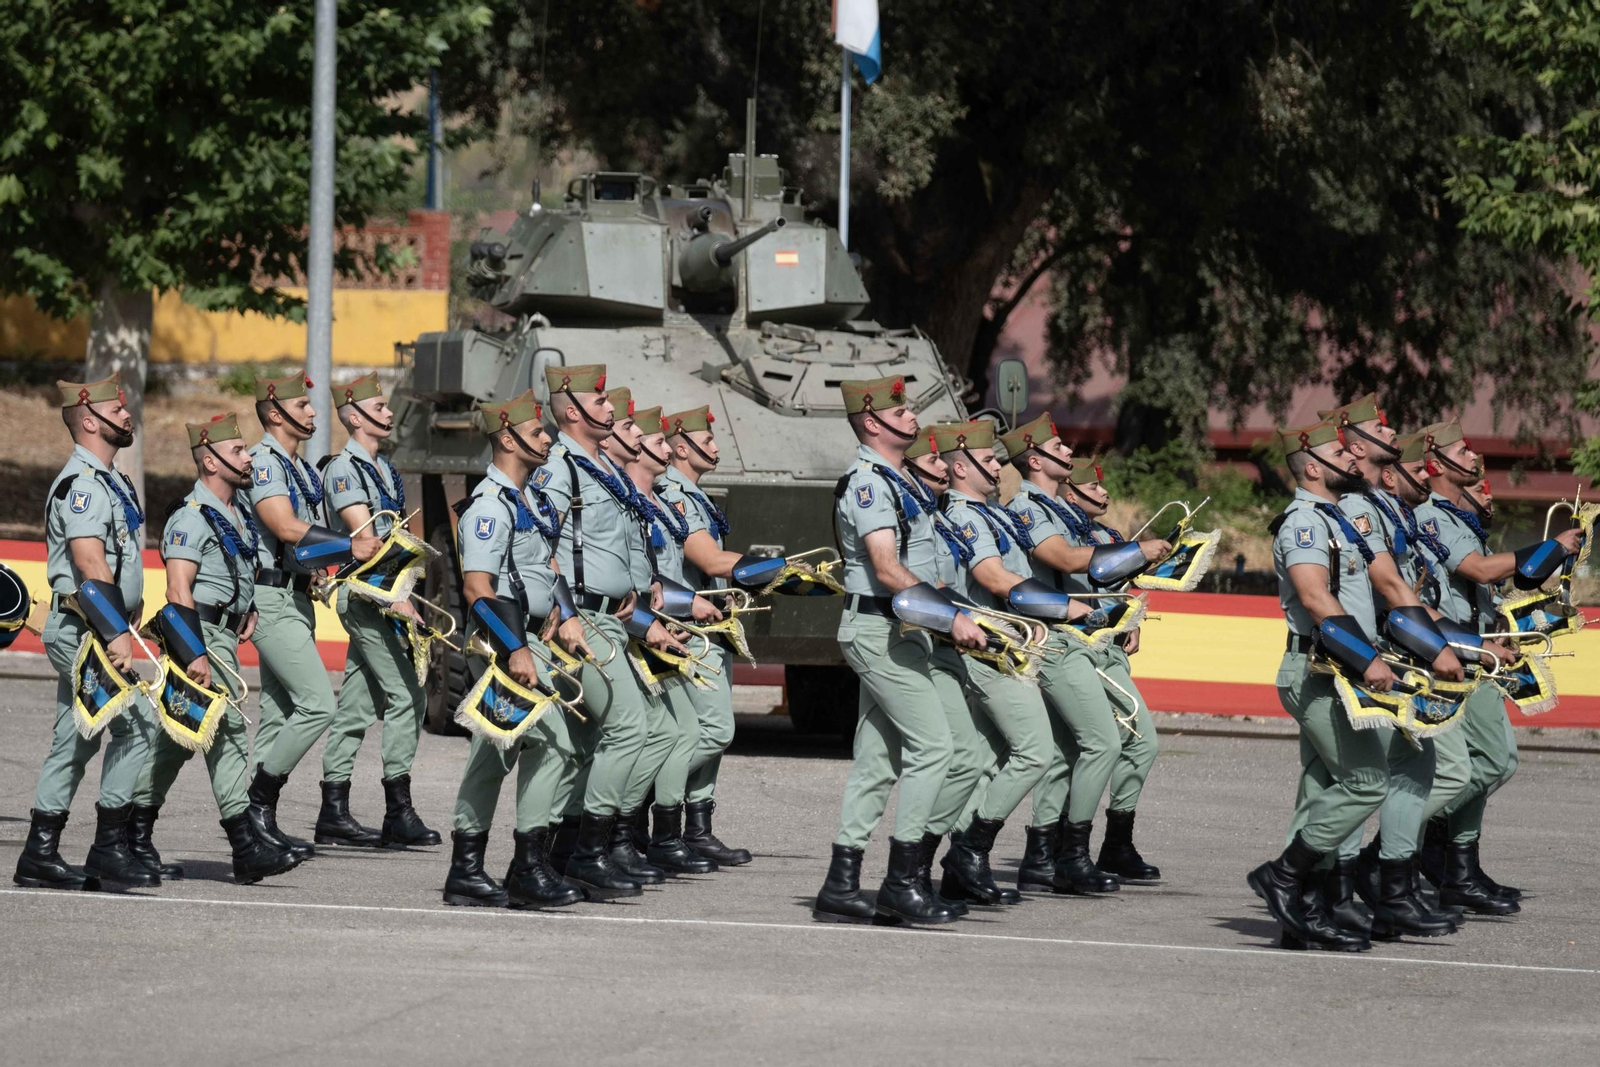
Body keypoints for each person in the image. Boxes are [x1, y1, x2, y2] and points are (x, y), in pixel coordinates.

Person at [810, 375, 987, 927]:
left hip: (903, 632)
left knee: (878, 761)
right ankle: (902, 882)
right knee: (936, 748)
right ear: (871, 421)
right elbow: (886, 568)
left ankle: (840, 885)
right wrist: (950, 616)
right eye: (901, 411)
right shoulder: (868, 483)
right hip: (880, 632)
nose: (913, 418)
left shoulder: (897, 481)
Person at [1312, 397, 1465, 938]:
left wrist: (1454, 638)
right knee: (1367, 773)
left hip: (1396, 649)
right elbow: (1387, 590)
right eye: (1381, 427)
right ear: (1354, 445)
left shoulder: (1384, 506)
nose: (1394, 430)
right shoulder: (1355, 509)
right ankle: (1346, 886)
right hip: (1370, 654)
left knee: (1413, 767)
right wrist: (1440, 645)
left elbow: (1410, 589)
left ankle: (1385, 886)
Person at [1414, 418, 1581, 915]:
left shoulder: (1458, 518)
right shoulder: (1432, 515)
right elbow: (1479, 571)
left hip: (1477, 648)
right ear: (1435, 462)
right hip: (1449, 652)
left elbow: (1489, 587)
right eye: (1462, 452)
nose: (1473, 458)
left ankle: (1456, 865)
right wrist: (1552, 546)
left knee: (1493, 761)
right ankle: (1399, 853)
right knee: (1482, 763)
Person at [535, 364, 688, 897]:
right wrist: (566, 613)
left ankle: (562, 849)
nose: (610, 408)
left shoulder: (602, 470)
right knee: (629, 725)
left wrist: (646, 620)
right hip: (579, 619)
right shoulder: (561, 470)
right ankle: (588, 852)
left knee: (585, 741)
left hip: (613, 619)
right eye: (597, 401)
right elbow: (538, 549)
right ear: (572, 411)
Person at [1001, 413, 1169, 895]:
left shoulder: (1060, 510)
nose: (1069, 452)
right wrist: (1137, 551)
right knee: (1100, 744)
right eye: (1058, 447)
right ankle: (1065, 853)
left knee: (1070, 750)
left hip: (1088, 640)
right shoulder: (1031, 507)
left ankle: (1047, 854)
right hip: (1060, 640)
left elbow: (1096, 576)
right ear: (1034, 459)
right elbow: (1062, 559)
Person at [131, 413, 303, 884]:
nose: (248, 457)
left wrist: (246, 609)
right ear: (209, 460)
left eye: (246, 450)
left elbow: (233, 571)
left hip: (225, 635)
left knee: (178, 741)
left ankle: (131, 832)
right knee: (226, 734)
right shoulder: (190, 516)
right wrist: (195, 653)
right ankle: (245, 848)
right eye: (237, 452)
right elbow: (178, 590)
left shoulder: (237, 513)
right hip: (200, 637)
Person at [1246, 421, 1395, 952]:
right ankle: (1283, 876)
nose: (1354, 460)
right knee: (1367, 783)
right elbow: (1314, 598)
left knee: (1320, 790)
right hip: (1319, 670)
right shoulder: (1303, 524)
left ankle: (1300, 911)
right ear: (1313, 467)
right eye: (1340, 454)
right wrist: (1366, 659)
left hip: (1335, 669)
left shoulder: (1335, 520)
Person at [14, 373, 160, 891]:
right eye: (117, 411)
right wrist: (117, 630)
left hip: (91, 624)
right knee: (138, 723)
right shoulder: (82, 486)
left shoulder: (110, 479)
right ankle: (107, 848)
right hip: (84, 627)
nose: (127, 416)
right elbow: (89, 560)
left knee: (74, 739)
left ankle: (40, 852)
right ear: (90, 420)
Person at [444, 392, 587, 909]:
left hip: (532, 638)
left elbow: (546, 567)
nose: (548, 438)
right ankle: (515, 868)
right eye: (538, 432)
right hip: (503, 641)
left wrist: (564, 613)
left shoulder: (525, 500)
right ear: (507, 438)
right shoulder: (489, 506)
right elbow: (478, 589)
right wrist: (515, 650)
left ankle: (488, 868)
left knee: (499, 752)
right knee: (541, 745)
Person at [245, 373, 382, 854]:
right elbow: (283, 526)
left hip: (297, 596)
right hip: (272, 598)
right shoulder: (265, 462)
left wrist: (321, 568)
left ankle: (257, 828)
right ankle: (258, 804)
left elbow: (301, 542)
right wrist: (350, 545)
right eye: (302, 404)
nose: (311, 412)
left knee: (279, 711)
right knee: (319, 703)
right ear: (275, 413)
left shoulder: (298, 467)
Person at [918, 420, 1054, 907]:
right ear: (961, 466)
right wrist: (1062, 606)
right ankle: (968, 851)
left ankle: (960, 865)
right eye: (990, 460)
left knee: (988, 759)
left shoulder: (987, 512)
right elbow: (994, 579)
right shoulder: (967, 515)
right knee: (1036, 751)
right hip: (988, 647)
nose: (999, 466)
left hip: (1002, 643)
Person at [320, 372, 440, 849]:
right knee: (408, 696)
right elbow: (368, 541)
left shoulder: (384, 469)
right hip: (368, 593)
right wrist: (401, 597)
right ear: (354, 416)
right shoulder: (345, 470)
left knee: (357, 706)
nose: (389, 412)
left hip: (386, 595)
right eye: (379, 407)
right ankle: (398, 810)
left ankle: (333, 809)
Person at [619, 404, 723, 875]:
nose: (664, 449)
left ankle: (666, 830)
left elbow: (656, 577)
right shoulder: (638, 498)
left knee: (678, 732)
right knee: (685, 732)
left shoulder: (655, 501)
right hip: (638, 627)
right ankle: (623, 824)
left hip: (666, 624)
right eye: (658, 442)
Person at [1055, 460, 1164, 883]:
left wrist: (1132, 621)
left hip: (1111, 650)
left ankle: (1115, 844)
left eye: (1102, 486)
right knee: (1099, 746)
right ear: (1071, 494)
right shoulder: (1060, 539)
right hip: (1078, 647)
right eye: (1092, 487)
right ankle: (1063, 849)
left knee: (1136, 744)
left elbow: (1122, 586)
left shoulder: (1107, 537)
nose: (1103, 494)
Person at [657, 404, 754, 866]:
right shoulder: (674, 493)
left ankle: (696, 827)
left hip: (711, 623)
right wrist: (776, 569)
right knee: (714, 729)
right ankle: (646, 804)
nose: (716, 447)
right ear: (681, 447)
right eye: (707, 441)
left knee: (706, 730)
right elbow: (711, 560)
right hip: (688, 625)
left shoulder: (696, 495)